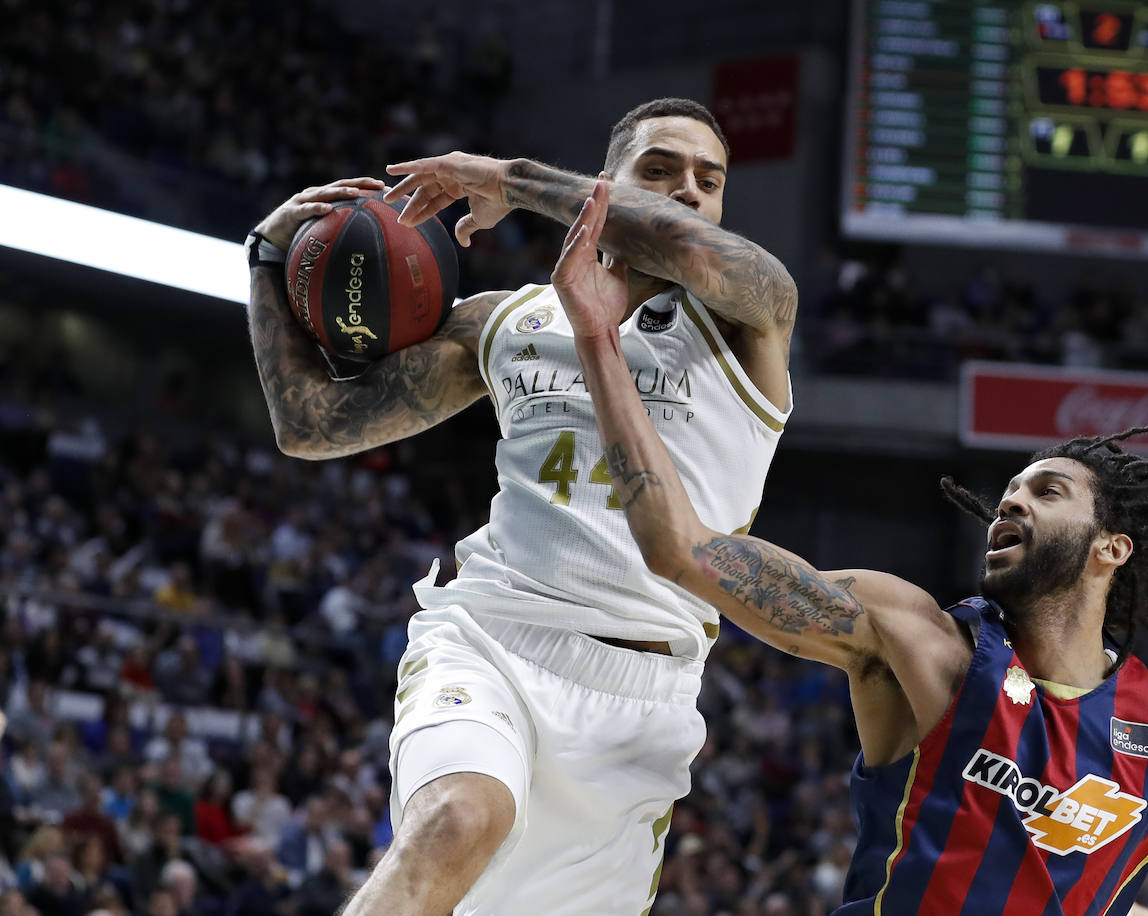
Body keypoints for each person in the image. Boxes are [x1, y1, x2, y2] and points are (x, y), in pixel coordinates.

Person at [553, 180, 1148, 915]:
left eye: (1048, 492)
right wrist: (595, 338)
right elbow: (679, 547)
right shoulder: (918, 639)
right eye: (1011, 488)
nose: (1011, 499)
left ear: (1112, 549)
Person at [243, 98, 795, 914]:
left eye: (706, 181)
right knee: (456, 819)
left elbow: (672, 241)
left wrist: (503, 179)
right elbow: (310, 424)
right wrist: (263, 259)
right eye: (658, 170)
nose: (686, 192)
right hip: (492, 637)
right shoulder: (505, 320)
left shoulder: (753, 316)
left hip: (642, 698)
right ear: (604, 181)